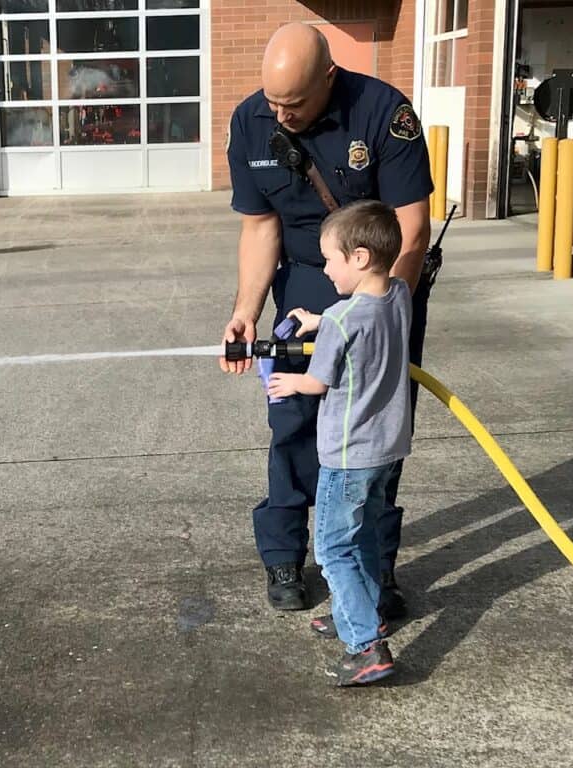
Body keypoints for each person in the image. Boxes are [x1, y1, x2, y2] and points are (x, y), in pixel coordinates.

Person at [218, 22, 433, 617]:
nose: (281, 114)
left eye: (295, 102)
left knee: (373, 434)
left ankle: (372, 567)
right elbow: (261, 227)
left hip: (385, 285)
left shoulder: (383, 114)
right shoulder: (250, 121)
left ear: (329, 78)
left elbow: (410, 231)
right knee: (293, 420)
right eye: (273, 101)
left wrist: (378, 315)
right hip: (308, 280)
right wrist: (245, 312)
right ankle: (285, 553)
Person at [266, 200, 410, 685]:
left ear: (361, 258)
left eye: (331, 260)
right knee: (364, 536)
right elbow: (362, 313)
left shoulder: (345, 321)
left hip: (347, 455)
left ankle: (366, 645)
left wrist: (289, 383)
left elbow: (319, 380)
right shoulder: (400, 296)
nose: (325, 269)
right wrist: (319, 320)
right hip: (386, 449)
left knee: (333, 549)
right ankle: (362, 612)